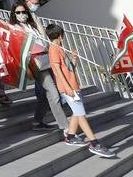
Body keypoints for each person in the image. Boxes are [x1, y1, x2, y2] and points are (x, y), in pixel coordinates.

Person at [46, 24, 115, 158]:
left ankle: (70, 136)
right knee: (81, 114)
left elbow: (69, 69)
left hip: (73, 85)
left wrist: (73, 59)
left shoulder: (60, 49)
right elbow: (57, 71)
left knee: (77, 113)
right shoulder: (54, 49)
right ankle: (94, 143)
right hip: (69, 87)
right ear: (60, 35)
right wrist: (67, 88)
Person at [12, 1, 65, 130]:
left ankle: (37, 121)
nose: (22, 14)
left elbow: (43, 38)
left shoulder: (32, 25)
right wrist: (26, 68)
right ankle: (66, 128)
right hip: (35, 63)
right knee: (53, 94)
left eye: (24, 12)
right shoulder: (15, 28)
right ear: (14, 14)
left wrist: (36, 20)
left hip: (46, 58)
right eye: (18, 12)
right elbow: (18, 50)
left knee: (44, 95)